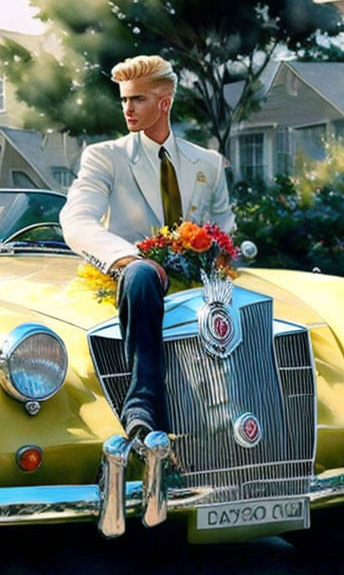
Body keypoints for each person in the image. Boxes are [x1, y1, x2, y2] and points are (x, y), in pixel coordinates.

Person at [60, 54, 234, 443]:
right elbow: (76, 220)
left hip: (197, 287)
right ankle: (142, 409)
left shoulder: (208, 163)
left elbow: (226, 235)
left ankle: (243, 416)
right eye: (123, 99)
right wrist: (127, 258)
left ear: (164, 103)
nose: (127, 108)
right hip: (129, 284)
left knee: (249, 290)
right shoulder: (105, 157)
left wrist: (218, 253)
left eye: (137, 99)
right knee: (141, 276)